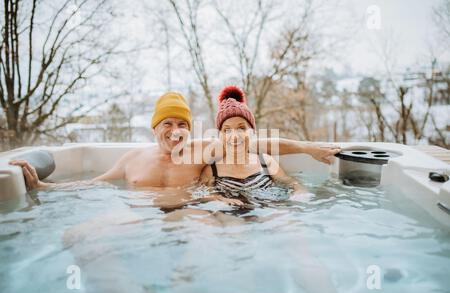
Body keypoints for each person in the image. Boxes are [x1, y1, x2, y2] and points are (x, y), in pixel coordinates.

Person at [8, 91, 340, 200]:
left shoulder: (200, 150)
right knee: (78, 237)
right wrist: (45, 187)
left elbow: (255, 141)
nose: (177, 131)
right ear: (155, 127)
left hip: (188, 215)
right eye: (168, 123)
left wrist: (309, 148)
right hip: (142, 220)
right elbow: (92, 187)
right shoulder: (132, 158)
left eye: (183, 123)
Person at [200, 86, 311, 211]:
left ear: (252, 131)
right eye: (227, 130)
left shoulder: (265, 162)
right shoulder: (211, 170)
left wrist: (299, 191)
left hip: (269, 211)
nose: (235, 136)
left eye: (242, 128)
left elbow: (291, 182)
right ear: (220, 135)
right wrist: (221, 199)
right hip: (231, 216)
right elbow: (205, 195)